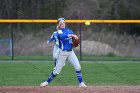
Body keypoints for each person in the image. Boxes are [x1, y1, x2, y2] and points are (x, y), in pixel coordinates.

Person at [40, 18, 87, 87]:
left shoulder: (70, 31)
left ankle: (81, 83)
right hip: (62, 53)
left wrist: (76, 42)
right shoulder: (59, 32)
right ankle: (46, 82)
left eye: (63, 23)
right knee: (56, 71)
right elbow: (62, 36)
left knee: (78, 67)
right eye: (60, 23)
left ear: (65, 23)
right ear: (58, 25)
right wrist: (72, 35)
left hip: (71, 52)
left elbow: (71, 42)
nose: (62, 24)